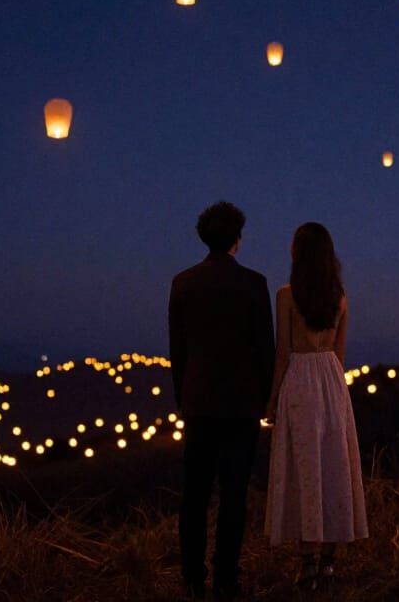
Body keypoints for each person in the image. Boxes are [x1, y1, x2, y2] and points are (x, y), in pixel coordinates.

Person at [169, 201, 275, 600]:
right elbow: (265, 346)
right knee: (234, 493)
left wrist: (184, 396)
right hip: (241, 404)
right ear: (237, 238)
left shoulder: (183, 283)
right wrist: (266, 399)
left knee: (194, 495)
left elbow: (177, 350)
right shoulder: (253, 283)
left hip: (198, 403)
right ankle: (226, 576)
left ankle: (192, 576)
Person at [264, 222, 368, 590]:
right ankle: (328, 563)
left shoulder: (286, 296)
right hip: (332, 383)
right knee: (333, 467)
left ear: (297, 253)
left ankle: (307, 564)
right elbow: (339, 356)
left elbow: (282, 353)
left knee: (305, 470)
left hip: (300, 382)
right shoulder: (340, 297)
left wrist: (272, 400)